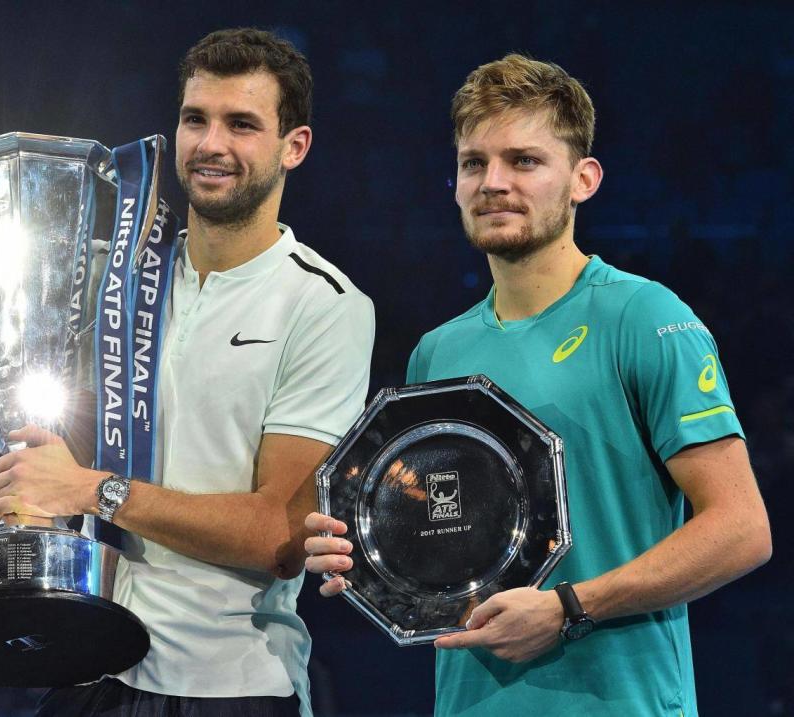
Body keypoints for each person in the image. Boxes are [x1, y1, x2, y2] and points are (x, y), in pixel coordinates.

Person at [0, 28, 374, 717]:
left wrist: (96, 490)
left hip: (226, 685)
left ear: (293, 146)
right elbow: (54, 463)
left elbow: (278, 536)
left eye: (242, 124)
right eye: (195, 118)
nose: (211, 144)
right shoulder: (117, 282)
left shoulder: (325, 305)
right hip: (91, 666)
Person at [304, 53, 771, 716]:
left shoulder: (647, 318)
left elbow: (742, 527)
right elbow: (443, 536)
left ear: (584, 179)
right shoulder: (438, 351)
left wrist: (568, 607)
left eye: (524, 161)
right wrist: (360, 551)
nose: (493, 182)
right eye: (474, 162)